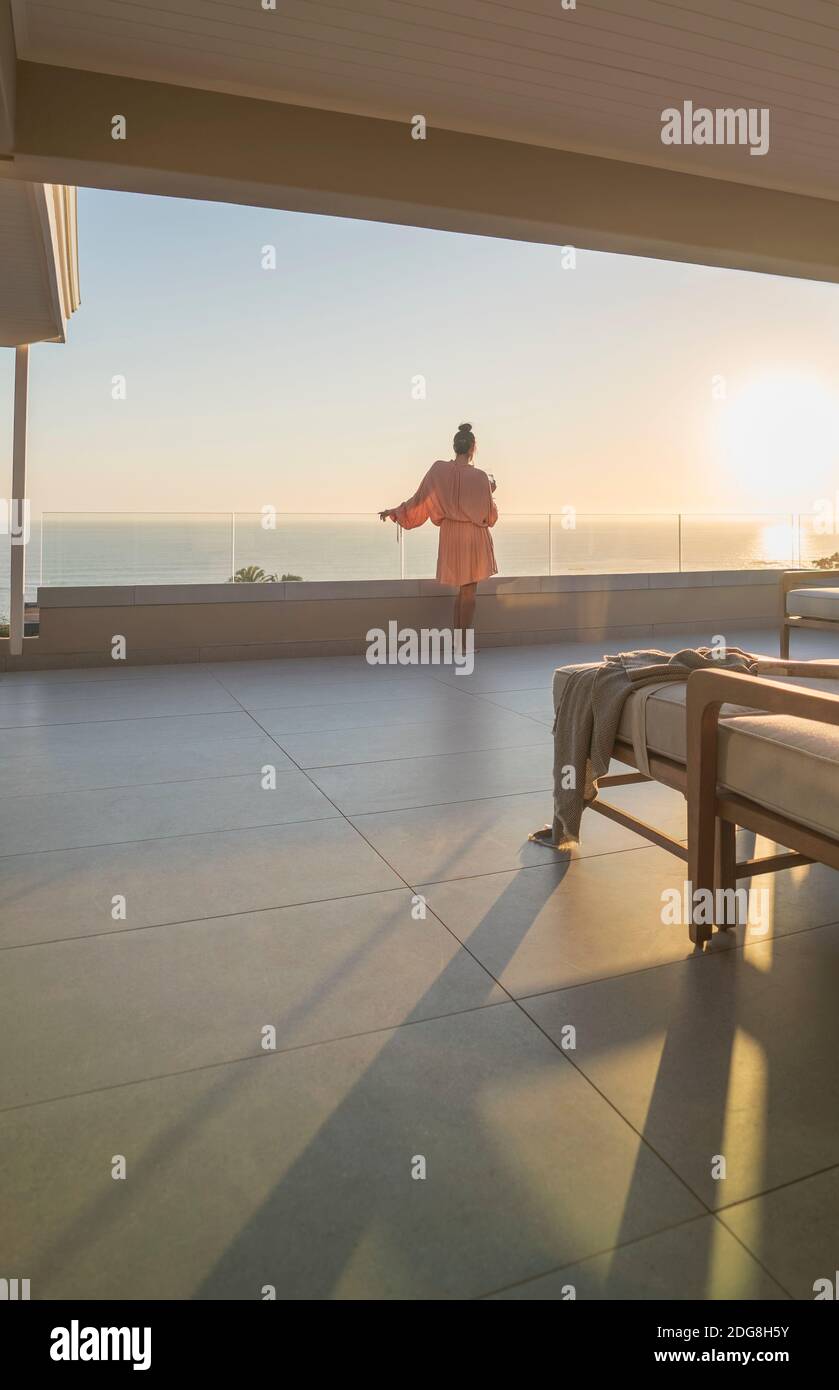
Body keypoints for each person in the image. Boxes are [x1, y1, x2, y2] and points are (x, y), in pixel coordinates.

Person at [379, 423, 497, 646]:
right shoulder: (482, 477)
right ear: (473, 448)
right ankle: (463, 645)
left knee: (461, 593)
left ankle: (458, 643)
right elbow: (490, 517)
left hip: (451, 534)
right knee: (469, 593)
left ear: (455, 446)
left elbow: (419, 499)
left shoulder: (438, 470)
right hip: (473, 535)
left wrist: (395, 512)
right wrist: (490, 492)